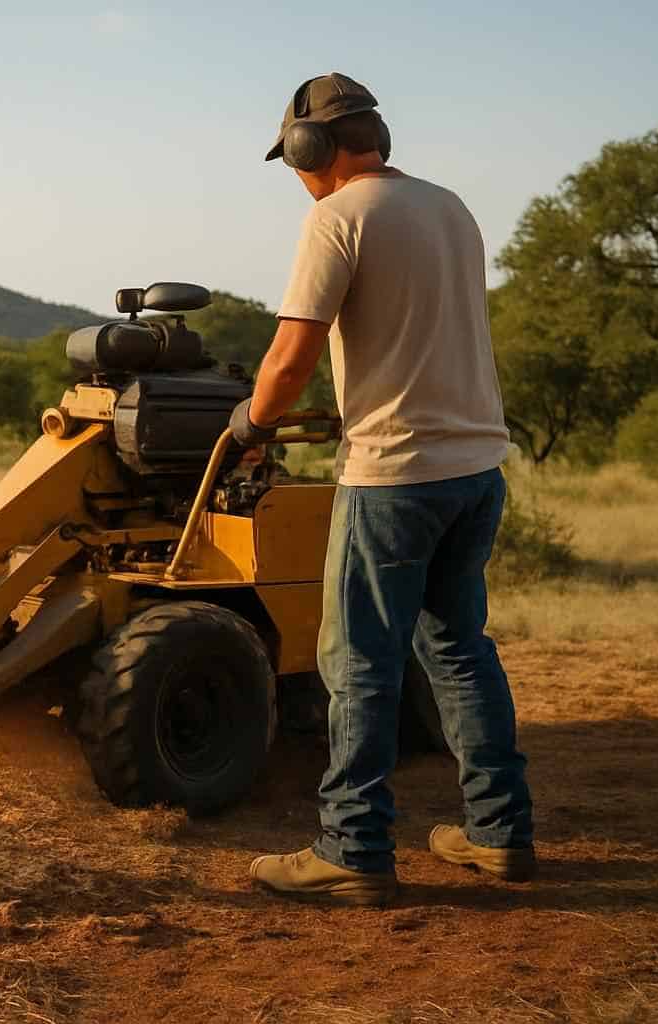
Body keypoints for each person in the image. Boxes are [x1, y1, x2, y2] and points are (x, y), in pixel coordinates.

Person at [231, 73, 535, 907]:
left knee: (358, 660)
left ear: (310, 148)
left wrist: (249, 426)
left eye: (292, 159)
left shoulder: (336, 217)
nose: (296, 174)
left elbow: (291, 357)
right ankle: (499, 832)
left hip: (394, 477)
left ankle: (354, 846)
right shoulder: (451, 207)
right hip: (475, 471)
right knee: (459, 649)